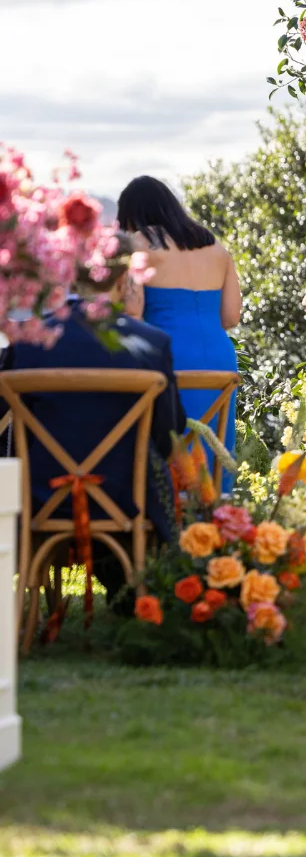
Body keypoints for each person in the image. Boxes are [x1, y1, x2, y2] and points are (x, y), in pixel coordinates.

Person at [0, 236, 187, 604]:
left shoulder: (29, 341)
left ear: (68, 276)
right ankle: (136, 593)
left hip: (41, 494)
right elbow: (170, 434)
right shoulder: (153, 342)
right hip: (126, 495)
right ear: (123, 280)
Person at [117, 176, 240, 482]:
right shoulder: (214, 244)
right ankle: (214, 519)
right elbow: (231, 316)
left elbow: (132, 309)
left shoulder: (140, 243)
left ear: (132, 214)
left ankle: (165, 520)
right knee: (214, 444)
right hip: (218, 356)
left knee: (164, 446)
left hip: (167, 357)